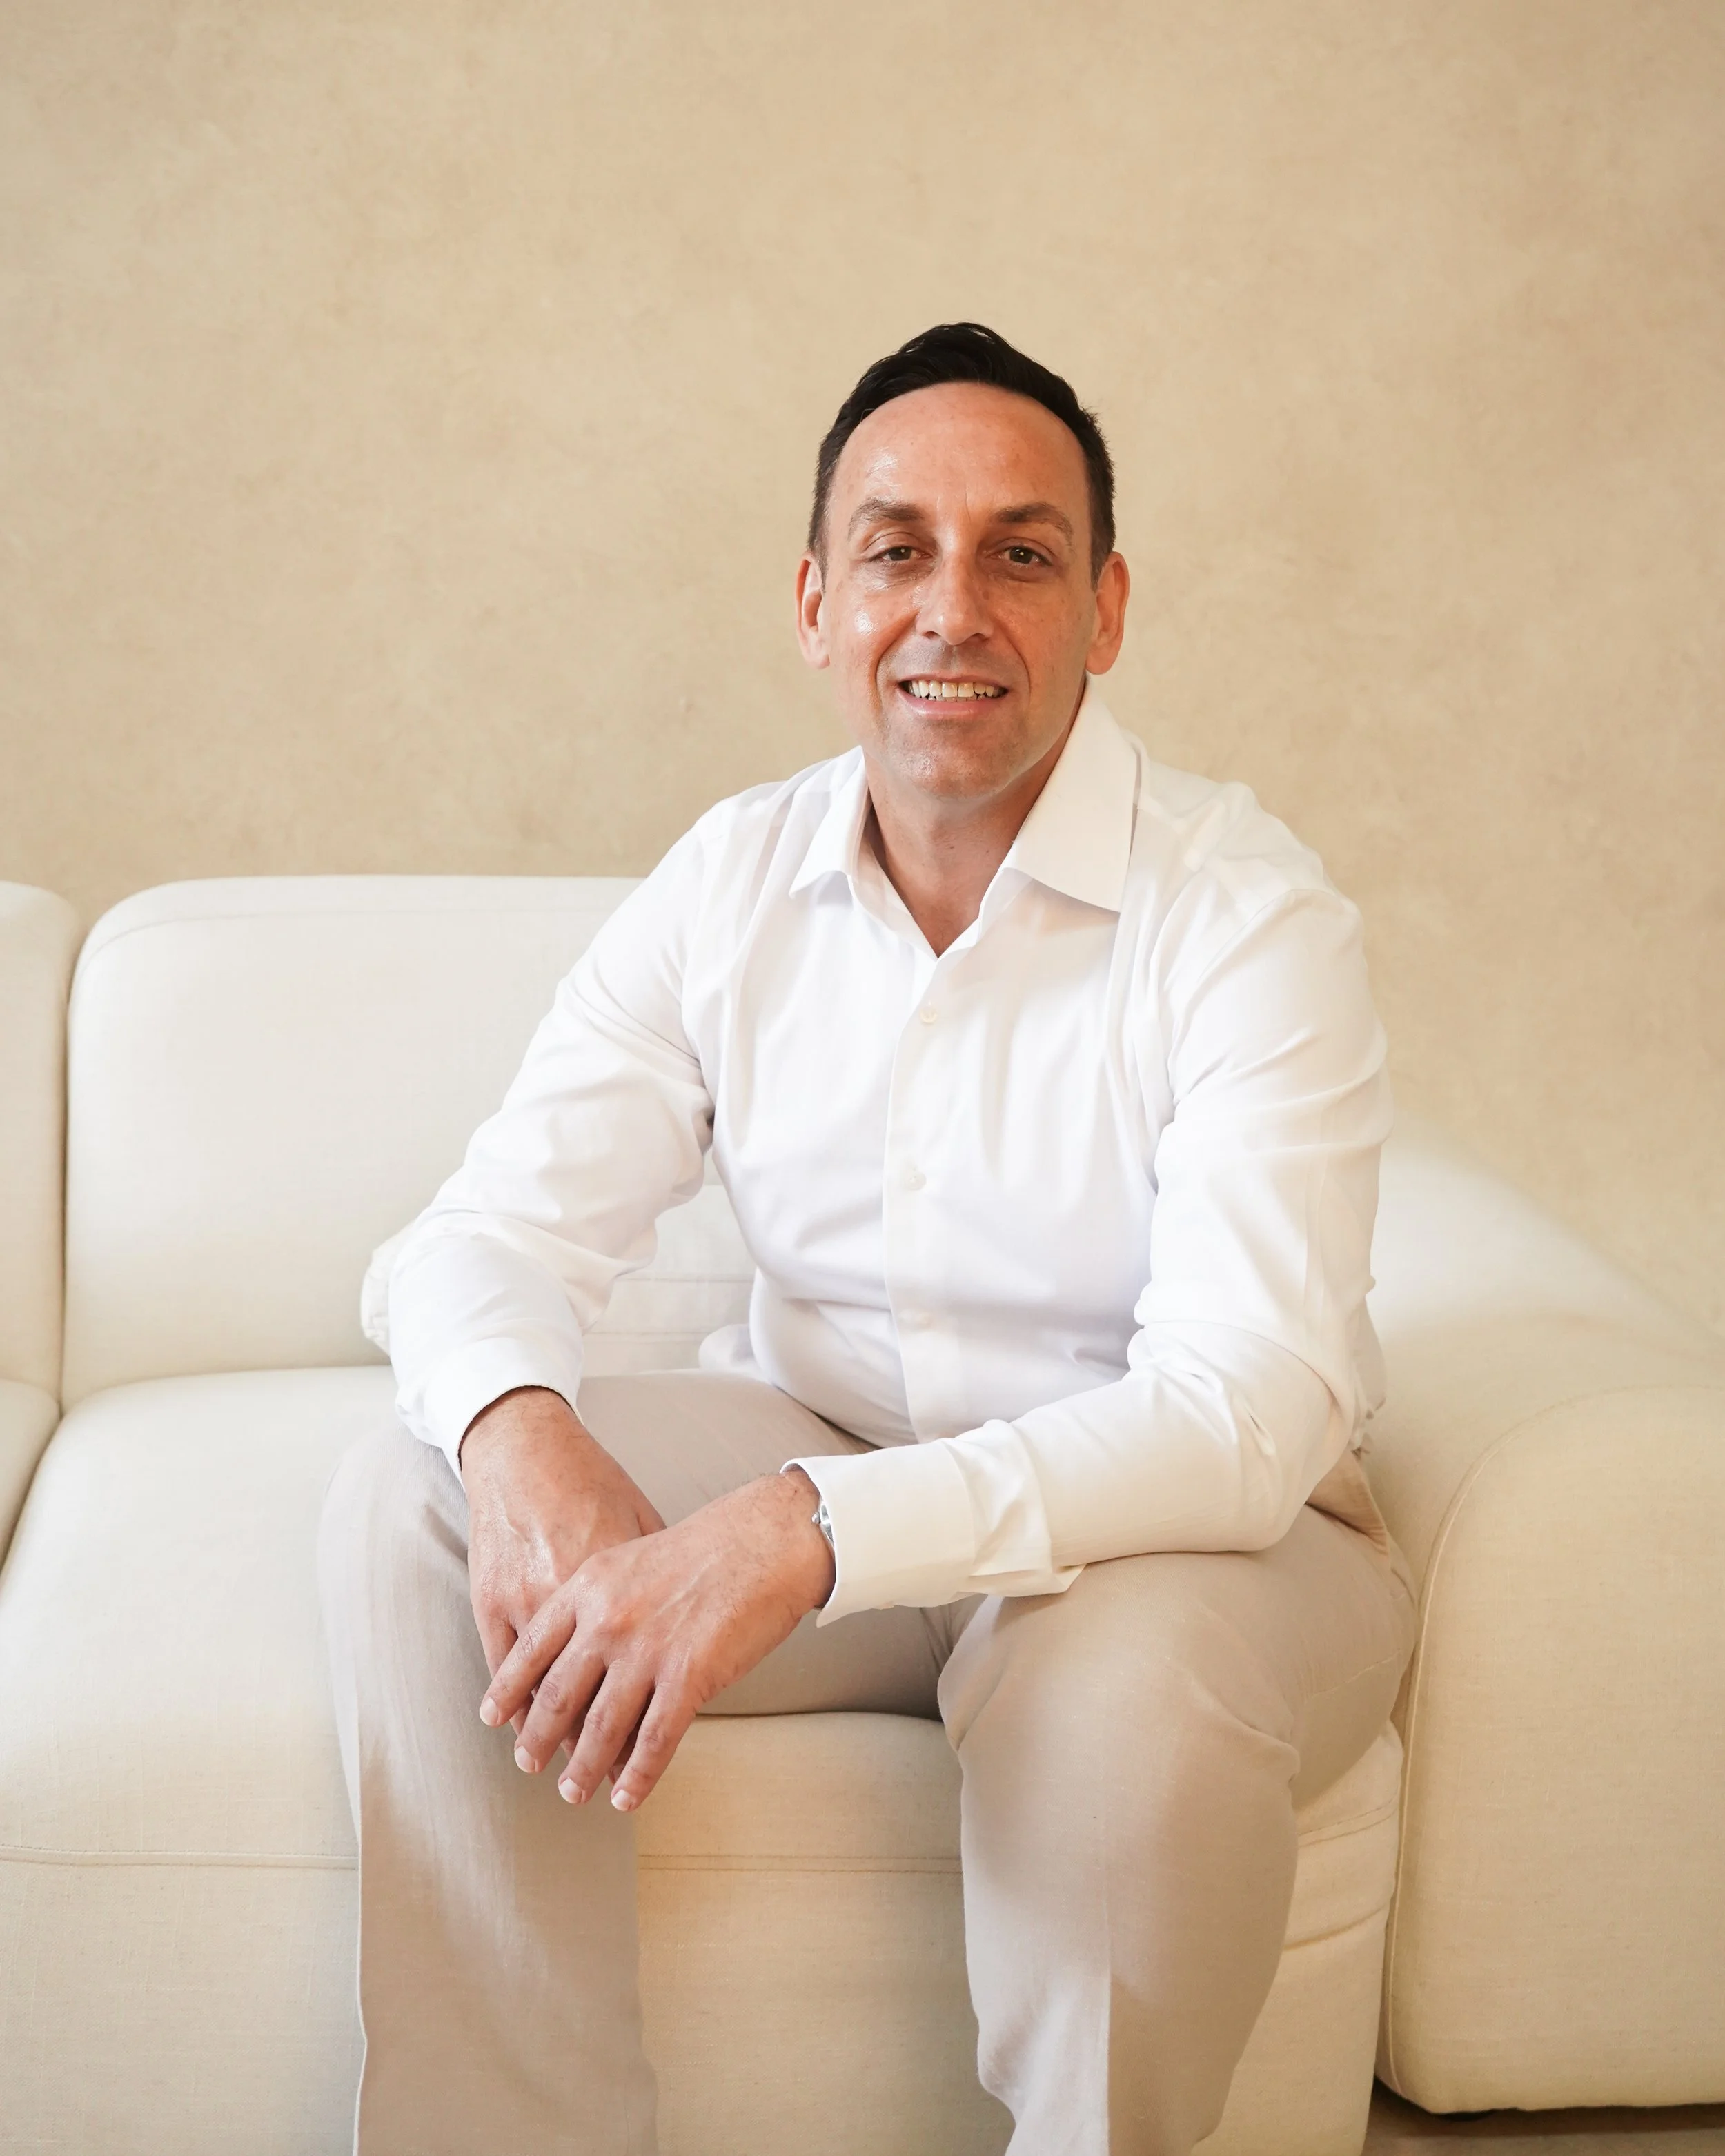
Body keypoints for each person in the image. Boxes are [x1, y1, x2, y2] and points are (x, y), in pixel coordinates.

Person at [318, 321, 1417, 2156]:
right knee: (417, 1502)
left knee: (1125, 1710)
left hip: (1185, 1539)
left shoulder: (1245, 914)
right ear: (817, 602)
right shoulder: (730, 880)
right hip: (837, 1440)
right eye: (896, 547)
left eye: (1020, 549)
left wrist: (801, 1532)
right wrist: (522, 1436)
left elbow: (1240, 1413)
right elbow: (477, 1231)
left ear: (1108, 606)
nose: (950, 606)